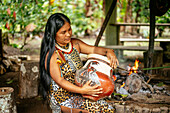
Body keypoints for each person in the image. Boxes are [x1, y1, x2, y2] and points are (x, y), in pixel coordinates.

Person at [39, 13, 119, 113]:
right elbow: (60, 80)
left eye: (69, 29)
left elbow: (93, 49)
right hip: (63, 98)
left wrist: (108, 51)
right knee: (96, 111)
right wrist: (82, 90)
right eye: (63, 32)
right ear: (53, 33)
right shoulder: (52, 55)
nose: (68, 34)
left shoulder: (75, 44)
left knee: (108, 109)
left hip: (80, 92)